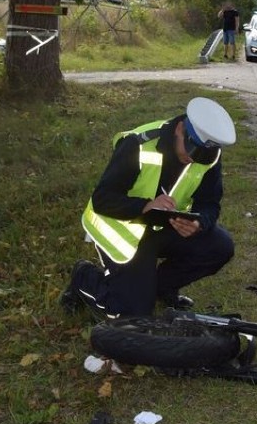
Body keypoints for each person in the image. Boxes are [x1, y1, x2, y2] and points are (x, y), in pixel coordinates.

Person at [61, 97, 237, 320]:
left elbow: (210, 202)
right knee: (131, 315)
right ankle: (84, 277)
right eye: (191, 149)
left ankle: (158, 288)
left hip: (163, 227)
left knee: (220, 247)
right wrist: (145, 206)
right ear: (180, 129)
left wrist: (199, 221)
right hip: (124, 230)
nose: (193, 159)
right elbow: (102, 199)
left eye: (202, 155)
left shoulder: (209, 157)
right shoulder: (138, 144)